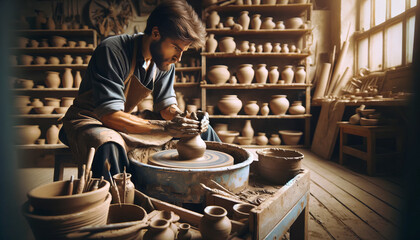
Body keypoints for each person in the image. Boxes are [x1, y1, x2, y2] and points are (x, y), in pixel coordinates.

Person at [59, 0, 220, 180]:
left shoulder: (164, 62)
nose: (179, 57)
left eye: (184, 50)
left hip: (121, 120)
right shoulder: (113, 50)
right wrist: (167, 127)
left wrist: (186, 120)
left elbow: (167, 108)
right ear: (156, 33)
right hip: (89, 120)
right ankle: (121, 203)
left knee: (203, 131)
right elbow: (109, 115)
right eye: (176, 47)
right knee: (108, 144)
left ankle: (213, 190)